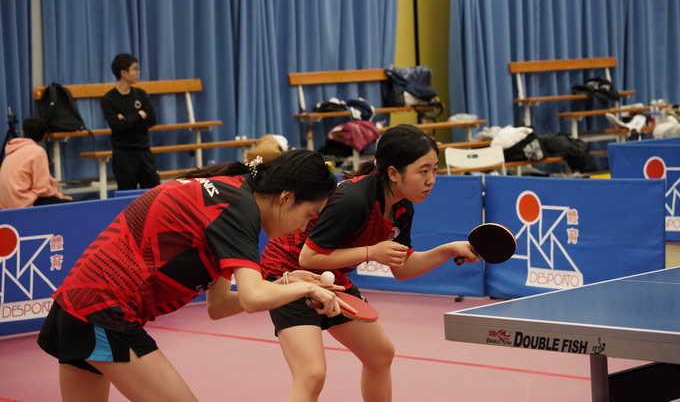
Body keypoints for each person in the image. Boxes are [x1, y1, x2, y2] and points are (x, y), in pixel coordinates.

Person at [38, 149, 352, 402]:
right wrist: (306, 290)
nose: (303, 227)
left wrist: (284, 282)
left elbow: (218, 305)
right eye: (308, 215)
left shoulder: (231, 194)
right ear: (286, 197)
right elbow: (253, 298)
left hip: (75, 308)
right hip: (103, 311)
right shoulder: (237, 209)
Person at [260, 124, 480, 402]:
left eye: (435, 170)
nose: (431, 180)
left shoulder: (402, 208)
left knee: (380, 355)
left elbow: (403, 269)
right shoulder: (352, 200)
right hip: (289, 271)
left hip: (331, 277)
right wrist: (370, 252)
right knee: (311, 374)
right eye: (423, 171)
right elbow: (308, 257)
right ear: (393, 173)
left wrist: (447, 250)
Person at [101, 53, 160, 190]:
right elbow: (117, 127)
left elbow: (152, 120)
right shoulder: (108, 99)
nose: (137, 72)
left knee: (153, 192)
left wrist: (126, 121)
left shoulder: (141, 94)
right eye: (134, 69)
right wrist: (139, 115)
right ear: (123, 73)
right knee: (127, 192)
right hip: (123, 153)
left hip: (143, 150)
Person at [0, 116, 72, 209]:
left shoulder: (12, 150)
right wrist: (60, 196)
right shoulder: (37, 151)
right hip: (21, 204)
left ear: (23, 132)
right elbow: (42, 189)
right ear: (44, 136)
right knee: (71, 206)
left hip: (4, 205)